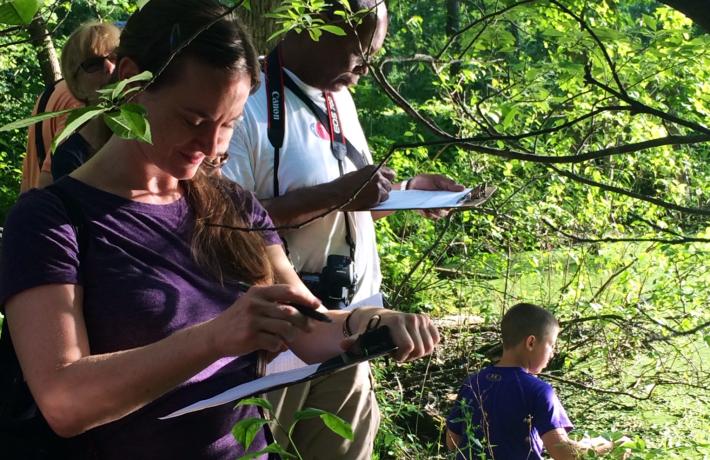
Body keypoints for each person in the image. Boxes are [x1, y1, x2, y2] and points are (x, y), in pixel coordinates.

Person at [0, 1, 439, 459]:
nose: (211, 146)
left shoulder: (231, 204)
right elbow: (64, 401)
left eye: (228, 124)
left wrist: (366, 322)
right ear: (132, 82)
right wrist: (215, 337)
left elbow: (306, 327)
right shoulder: (52, 220)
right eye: (194, 120)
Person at [223, 1, 463, 458]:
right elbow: (226, 227)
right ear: (314, 29)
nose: (366, 71)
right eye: (360, 56)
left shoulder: (340, 99)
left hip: (352, 327)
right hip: (277, 337)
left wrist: (409, 192)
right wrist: (335, 195)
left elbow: (347, 209)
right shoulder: (244, 98)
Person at [445, 303, 624, 459]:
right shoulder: (539, 391)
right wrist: (610, 445)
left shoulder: (473, 382)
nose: (553, 353)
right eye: (551, 345)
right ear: (531, 342)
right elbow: (565, 453)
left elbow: (453, 441)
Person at [51, 21, 120, 181]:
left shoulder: (153, 129)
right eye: (93, 64)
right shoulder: (69, 157)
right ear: (76, 85)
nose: (109, 68)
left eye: (115, 58)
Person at [20, 82, 81, 192]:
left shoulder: (54, 91)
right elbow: (50, 177)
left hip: (32, 200)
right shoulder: (81, 100)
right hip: (49, 204)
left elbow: (27, 176)